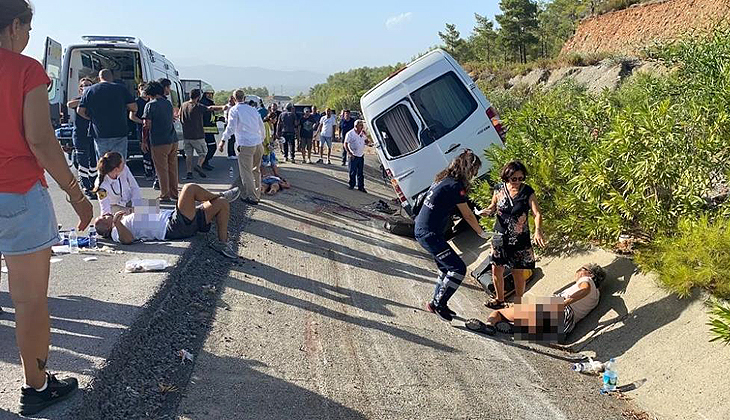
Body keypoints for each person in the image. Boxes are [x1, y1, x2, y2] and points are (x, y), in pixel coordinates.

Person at [0, 2, 94, 415]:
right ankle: (36, 388)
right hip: (18, 195)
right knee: (29, 301)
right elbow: (40, 139)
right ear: (14, 25)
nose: (29, 37)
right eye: (29, 28)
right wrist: (75, 193)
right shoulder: (24, 70)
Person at [414, 150, 490, 322]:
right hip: (429, 233)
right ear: (467, 169)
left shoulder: (443, 179)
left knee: (445, 268)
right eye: (474, 171)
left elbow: (459, 206)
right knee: (458, 269)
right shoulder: (455, 186)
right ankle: (440, 304)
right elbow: (467, 215)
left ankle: (435, 303)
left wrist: (478, 211)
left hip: (425, 230)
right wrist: (481, 232)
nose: (474, 175)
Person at [93, 184, 240, 258]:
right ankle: (219, 194)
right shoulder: (115, 232)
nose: (105, 215)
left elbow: (155, 209)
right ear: (106, 228)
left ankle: (224, 244)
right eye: (103, 219)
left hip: (173, 217)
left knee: (221, 203)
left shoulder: (124, 218)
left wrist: (136, 208)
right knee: (189, 189)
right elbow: (128, 240)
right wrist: (117, 223)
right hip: (172, 227)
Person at [467, 264, 605, 338]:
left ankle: (489, 327)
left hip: (558, 310)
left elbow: (585, 289)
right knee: (517, 320)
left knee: (499, 314)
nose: (578, 272)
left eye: (581, 269)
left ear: (590, 273)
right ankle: (518, 328)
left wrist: (564, 303)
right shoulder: (596, 297)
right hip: (565, 328)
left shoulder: (587, 280)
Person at [482, 160, 545, 309]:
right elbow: (493, 206)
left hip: (519, 239)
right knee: (496, 268)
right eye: (514, 179)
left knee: (518, 272)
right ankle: (499, 299)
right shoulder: (499, 189)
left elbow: (537, 213)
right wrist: (488, 211)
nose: (517, 182)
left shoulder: (527, 191)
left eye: (521, 178)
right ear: (506, 177)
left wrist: (538, 230)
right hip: (499, 236)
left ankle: (519, 302)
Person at [77, 68, 137, 159]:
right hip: (119, 132)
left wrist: (91, 118)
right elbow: (134, 107)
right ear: (111, 77)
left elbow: (80, 111)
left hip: (99, 132)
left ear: (99, 78)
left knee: (103, 162)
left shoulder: (90, 90)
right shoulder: (121, 89)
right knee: (119, 162)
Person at [220, 89, 265, 205]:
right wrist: (262, 139)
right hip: (258, 143)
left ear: (234, 99)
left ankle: (252, 196)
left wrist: (223, 140)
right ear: (244, 98)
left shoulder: (234, 110)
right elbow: (261, 126)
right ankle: (257, 194)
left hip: (246, 144)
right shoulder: (253, 110)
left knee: (246, 172)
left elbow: (231, 127)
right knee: (256, 170)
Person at [142, 81, 179, 203]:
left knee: (161, 169)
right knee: (172, 168)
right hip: (172, 139)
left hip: (159, 141)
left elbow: (146, 125)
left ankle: (165, 195)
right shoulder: (168, 104)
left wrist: (144, 141)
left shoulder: (150, 105)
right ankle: (175, 193)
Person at [66, 77, 97, 198]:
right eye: (84, 85)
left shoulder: (95, 99)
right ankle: (86, 186)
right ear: (80, 88)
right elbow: (70, 104)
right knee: (83, 161)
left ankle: (94, 184)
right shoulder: (78, 99)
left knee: (94, 161)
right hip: (80, 134)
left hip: (93, 134)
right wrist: (84, 101)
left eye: (89, 85)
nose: (86, 86)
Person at [180, 88, 213, 180]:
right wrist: (223, 107)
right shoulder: (198, 106)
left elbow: (180, 116)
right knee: (203, 152)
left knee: (188, 155)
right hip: (197, 135)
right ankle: (198, 165)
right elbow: (209, 108)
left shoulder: (183, 105)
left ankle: (189, 172)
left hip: (186, 135)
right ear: (198, 97)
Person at [129, 82, 156, 183]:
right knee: (146, 152)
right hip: (142, 130)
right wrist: (143, 122)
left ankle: (154, 171)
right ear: (138, 90)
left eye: (145, 88)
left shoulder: (152, 101)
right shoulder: (137, 102)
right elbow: (132, 117)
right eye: (142, 88)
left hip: (153, 130)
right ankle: (148, 172)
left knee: (154, 151)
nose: (144, 90)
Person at [344, 119, 368, 192]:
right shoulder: (350, 134)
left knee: (360, 173)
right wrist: (349, 153)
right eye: (360, 125)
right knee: (352, 171)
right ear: (356, 126)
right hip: (353, 155)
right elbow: (345, 144)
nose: (361, 127)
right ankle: (352, 184)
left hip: (360, 155)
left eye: (361, 125)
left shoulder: (362, 133)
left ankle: (361, 186)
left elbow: (366, 141)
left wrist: (366, 136)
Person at [199, 89, 219, 171]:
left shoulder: (207, 103)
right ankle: (204, 163)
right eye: (209, 94)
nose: (211, 96)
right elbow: (206, 118)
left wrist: (218, 118)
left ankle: (204, 162)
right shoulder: (205, 104)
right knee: (212, 147)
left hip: (208, 130)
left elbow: (211, 117)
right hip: (206, 130)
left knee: (209, 147)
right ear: (205, 94)